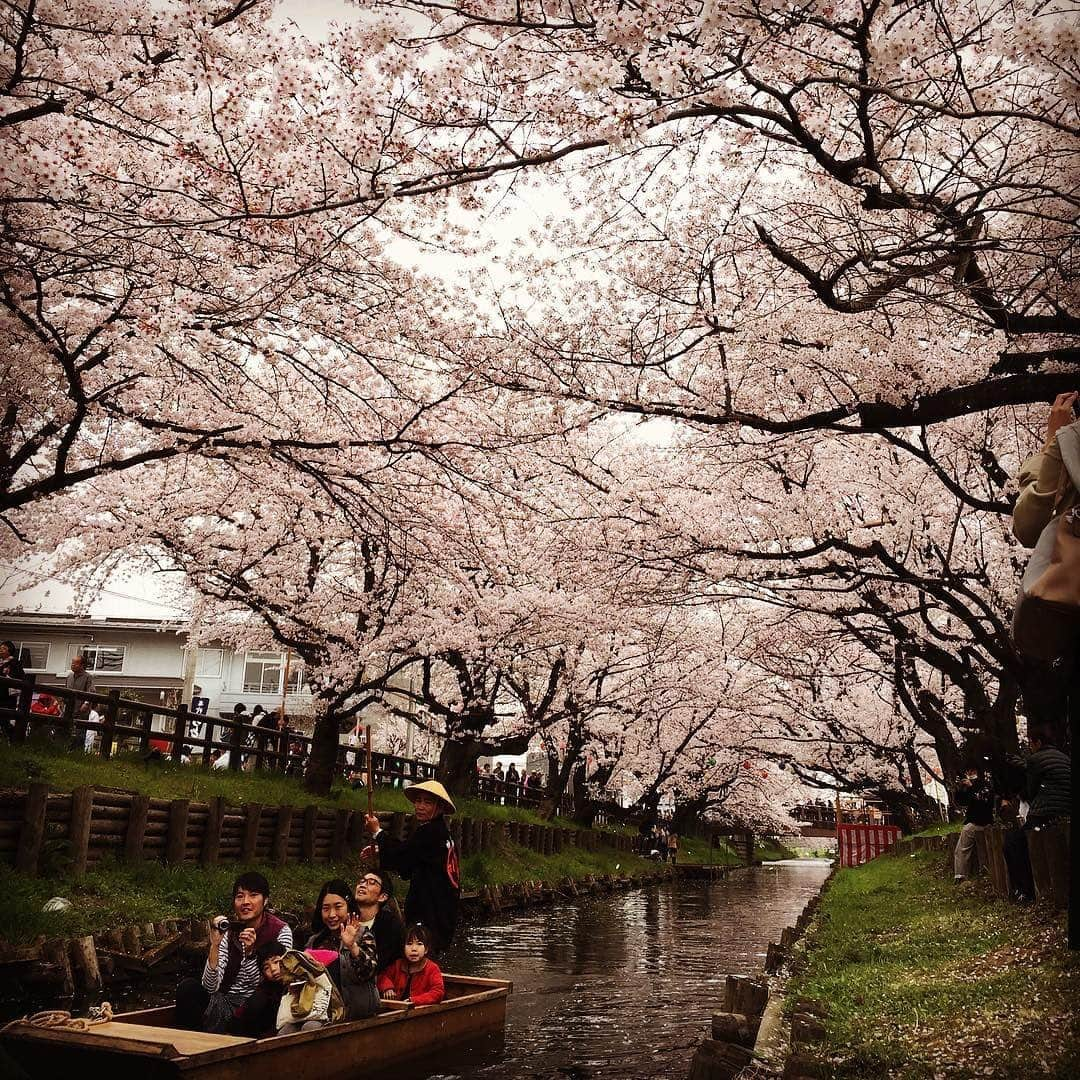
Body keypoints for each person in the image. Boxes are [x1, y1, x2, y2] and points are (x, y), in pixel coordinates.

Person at [175, 871, 293, 1033]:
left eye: (253, 895)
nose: (246, 902)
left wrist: (251, 954)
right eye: (240, 896)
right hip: (226, 1003)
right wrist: (214, 945)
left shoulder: (280, 930)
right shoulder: (229, 931)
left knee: (258, 1001)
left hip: (260, 1006)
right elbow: (210, 987)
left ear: (265, 901)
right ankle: (192, 1041)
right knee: (187, 987)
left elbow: (279, 979)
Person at [363, 780, 460, 956]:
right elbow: (411, 856)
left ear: (439, 807)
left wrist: (377, 832)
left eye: (427, 802)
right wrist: (379, 848)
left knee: (420, 955)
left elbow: (402, 857)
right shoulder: (441, 833)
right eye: (418, 801)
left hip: (430, 911)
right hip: (442, 912)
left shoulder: (430, 833)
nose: (420, 806)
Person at [1003, 728, 1071, 902]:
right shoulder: (1064, 757)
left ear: (1037, 743)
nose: (1030, 747)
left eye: (1030, 743)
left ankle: (1025, 891)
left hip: (1045, 813)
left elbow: (1031, 791)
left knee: (1013, 843)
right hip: (1066, 811)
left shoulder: (1035, 759)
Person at [304, 879, 379, 1019]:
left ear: (349, 907)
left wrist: (352, 946)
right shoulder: (314, 941)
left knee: (311, 1028)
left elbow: (370, 971)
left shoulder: (363, 934)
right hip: (319, 1011)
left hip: (352, 1013)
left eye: (338, 907)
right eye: (326, 909)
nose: (332, 914)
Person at [260, 942, 345, 1034]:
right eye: (266, 967)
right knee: (284, 1033)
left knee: (310, 1027)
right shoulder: (269, 991)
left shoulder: (303, 964)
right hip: (296, 1018)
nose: (273, 969)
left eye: (276, 962)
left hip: (321, 1014)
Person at [377, 923, 445, 1006]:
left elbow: (438, 992)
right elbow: (383, 976)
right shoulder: (398, 964)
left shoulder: (432, 968)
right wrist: (387, 988)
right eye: (409, 944)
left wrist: (414, 1000)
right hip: (396, 1010)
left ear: (426, 949)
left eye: (419, 944)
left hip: (419, 1013)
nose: (413, 949)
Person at [354, 868, 405, 975]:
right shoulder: (346, 917)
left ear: (382, 896)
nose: (362, 885)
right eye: (362, 881)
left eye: (371, 883)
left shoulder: (390, 926)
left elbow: (381, 964)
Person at [953, 763, 995, 882]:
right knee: (963, 847)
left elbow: (983, 801)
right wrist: (961, 789)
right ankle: (962, 875)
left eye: (972, 771)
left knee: (963, 848)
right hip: (975, 822)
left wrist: (971, 787)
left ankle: (961, 875)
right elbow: (961, 801)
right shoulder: (975, 786)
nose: (970, 774)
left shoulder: (985, 786)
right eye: (968, 771)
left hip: (982, 822)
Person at [0, 641, 25, 739]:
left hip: (8, 695)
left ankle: (10, 738)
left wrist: (7, 675)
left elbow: (19, 678)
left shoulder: (14, 663)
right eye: (0, 647)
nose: (1, 650)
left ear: (10, 651)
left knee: (6, 717)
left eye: (4, 648)